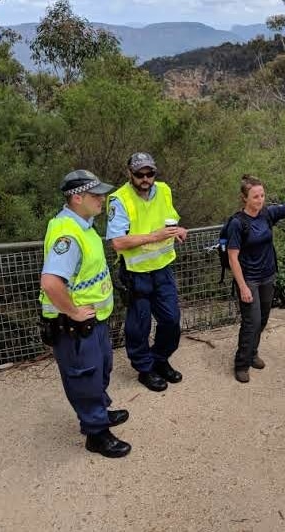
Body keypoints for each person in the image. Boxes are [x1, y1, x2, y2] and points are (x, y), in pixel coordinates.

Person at [39, 169, 131, 458]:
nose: (102, 199)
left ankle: (99, 412)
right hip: (74, 326)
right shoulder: (68, 233)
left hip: (94, 321)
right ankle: (96, 433)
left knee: (101, 368)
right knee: (85, 376)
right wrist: (75, 312)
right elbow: (51, 283)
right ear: (77, 198)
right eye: (96, 195)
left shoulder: (85, 225)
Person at [227, 172, 285, 383]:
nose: (260, 200)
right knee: (251, 322)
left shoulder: (267, 214)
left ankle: (252, 354)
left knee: (262, 319)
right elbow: (233, 258)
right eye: (255, 197)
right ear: (245, 198)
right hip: (249, 279)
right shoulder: (237, 223)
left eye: (262, 195)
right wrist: (242, 286)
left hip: (267, 276)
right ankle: (241, 363)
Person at [106, 153, 189, 393]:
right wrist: (155, 236)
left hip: (163, 269)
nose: (145, 178)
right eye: (139, 174)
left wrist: (178, 230)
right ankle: (145, 369)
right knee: (139, 326)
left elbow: (169, 221)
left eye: (149, 173)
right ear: (129, 173)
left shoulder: (163, 190)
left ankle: (159, 359)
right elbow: (118, 242)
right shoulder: (119, 199)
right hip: (136, 273)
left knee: (171, 320)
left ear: (155, 172)